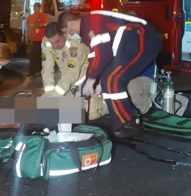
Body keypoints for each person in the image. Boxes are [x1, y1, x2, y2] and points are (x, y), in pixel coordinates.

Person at [59, 10, 162, 138]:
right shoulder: (88, 31)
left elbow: (103, 54)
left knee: (113, 79)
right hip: (134, 39)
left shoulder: (91, 24)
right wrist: (95, 82)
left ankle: (128, 122)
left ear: (71, 23)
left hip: (143, 37)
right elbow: (95, 59)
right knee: (109, 80)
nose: (69, 35)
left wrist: (92, 80)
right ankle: (123, 121)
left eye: (65, 31)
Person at [27, 2, 48, 77]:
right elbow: (30, 26)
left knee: (40, 56)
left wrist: (35, 25)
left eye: (38, 7)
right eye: (35, 7)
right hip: (33, 39)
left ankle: (40, 71)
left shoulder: (44, 16)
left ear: (40, 8)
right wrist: (39, 25)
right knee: (32, 56)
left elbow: (44, 25)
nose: (36, 9)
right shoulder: (30, 17)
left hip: (41, 39)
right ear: (33, 8)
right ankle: (32, 72)